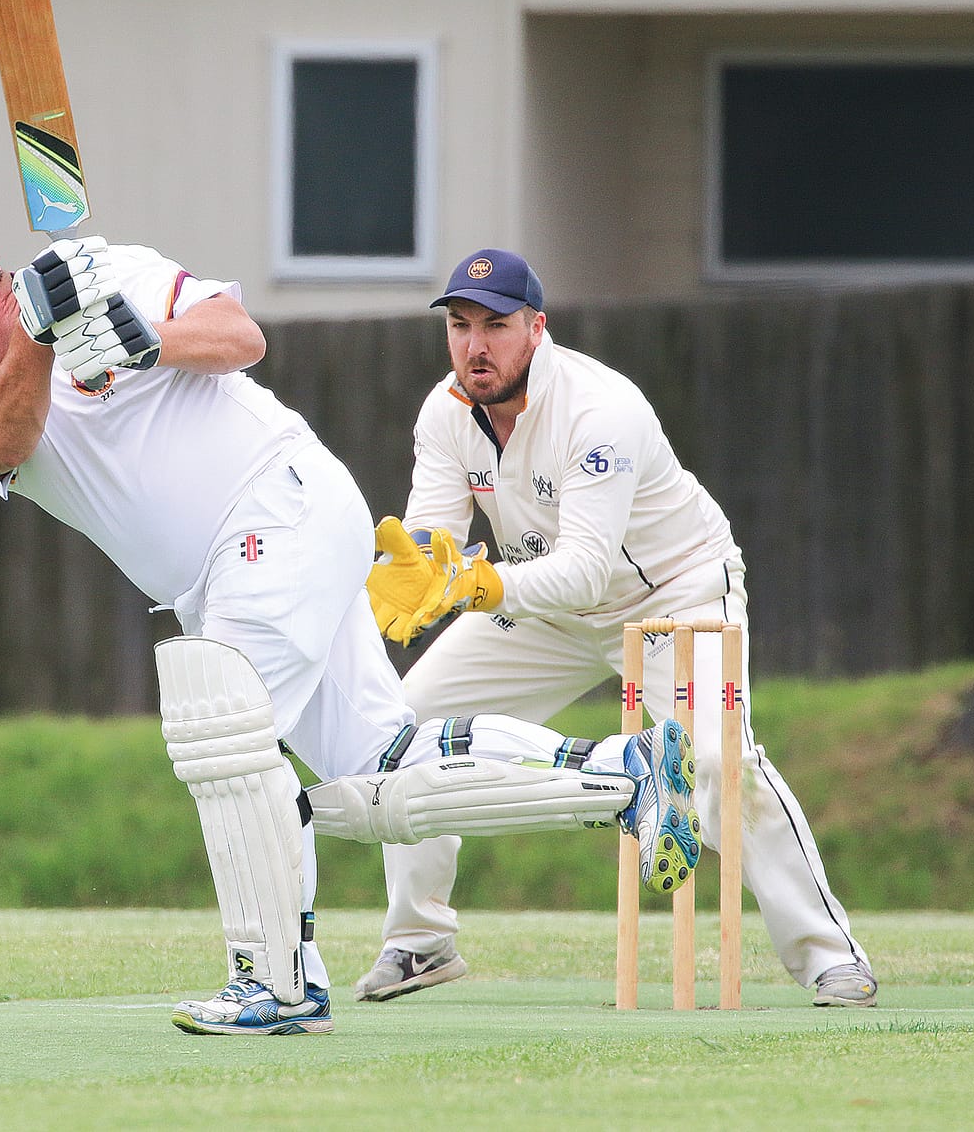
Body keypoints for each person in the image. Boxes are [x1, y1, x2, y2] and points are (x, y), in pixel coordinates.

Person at [0, 227, 701, 1035]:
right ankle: (623, 774)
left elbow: (240, 337)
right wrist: (43, 339)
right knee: (379, 770)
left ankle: (276, 980)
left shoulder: (111, 271)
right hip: (232, 568)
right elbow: (5, 443)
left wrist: (143, 338)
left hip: (273, 507)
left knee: (223, 740)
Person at [355, 247, 875, 1008]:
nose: (475, 345)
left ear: (536, 329)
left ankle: (831, 956)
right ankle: (419, 941)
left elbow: (588, 571)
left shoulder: (599, 411)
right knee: (408, 726)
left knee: (717, 760)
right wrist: (417, 574)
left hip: (673, 592)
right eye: (460, 326)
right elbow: (436, 542)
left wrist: (477, 585)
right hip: (543, 604)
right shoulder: (445, 412)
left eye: (495, 326)